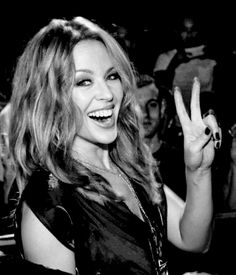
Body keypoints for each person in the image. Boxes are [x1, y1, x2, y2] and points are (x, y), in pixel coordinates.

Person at [7, 16, 220, 275]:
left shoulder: (132, 166)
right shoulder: (49, 205)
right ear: (50, 97)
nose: (107, 94)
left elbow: (195, 240)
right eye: (84, 81)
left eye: (111, 76)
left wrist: (198, 171)